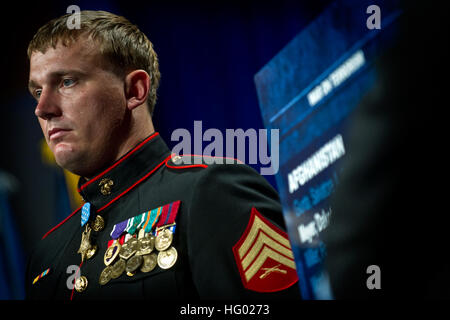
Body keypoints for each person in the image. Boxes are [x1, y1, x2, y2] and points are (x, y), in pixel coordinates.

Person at [25, 10, 301, 300]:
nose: (42, 109)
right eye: (37, 91)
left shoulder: (212, 190)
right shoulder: (47, 255)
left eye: (67, 82)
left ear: (134, 90)